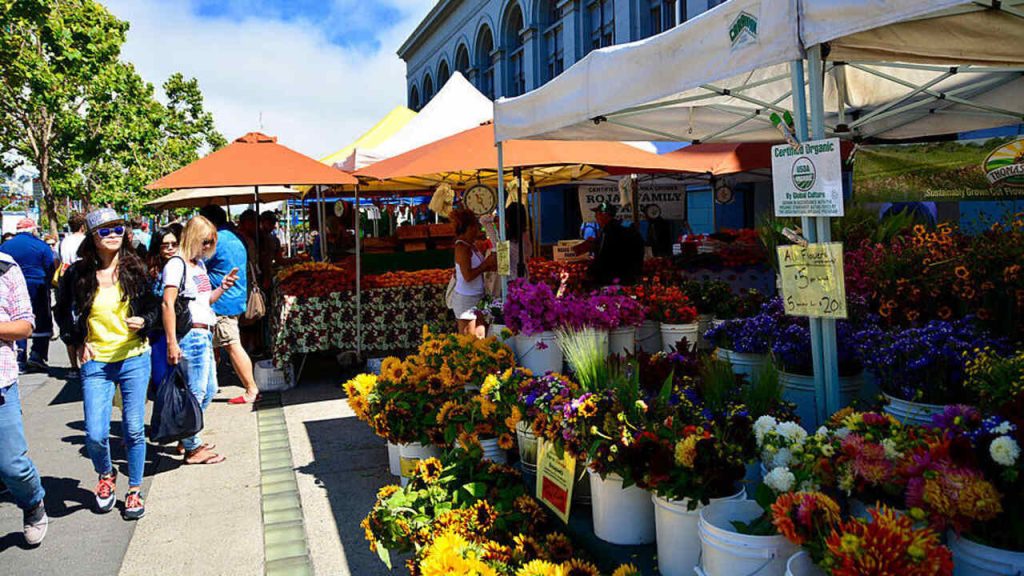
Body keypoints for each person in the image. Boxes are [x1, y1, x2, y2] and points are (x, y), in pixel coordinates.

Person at [54, 208, 158, 520]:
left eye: (118, 229)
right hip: (96, 361)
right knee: (95, 434)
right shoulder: (77, 274)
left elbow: (153, 305)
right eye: (105, 231)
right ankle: (105, 474)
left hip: (134, 357)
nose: (113, 235)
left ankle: (135, 489)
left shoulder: (135, 269)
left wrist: (146, 319)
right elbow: (61, 311)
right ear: (93, 237)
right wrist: (75, 338)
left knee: (134, 430)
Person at [162, 216, 235, 464]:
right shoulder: (176, 265)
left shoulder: (198, 265)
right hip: (191, 334)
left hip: (204, 331)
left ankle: (189, 435)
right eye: (205, 242)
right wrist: (172, 341)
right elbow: (167, 303)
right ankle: (192, 444)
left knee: (209, 389)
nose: (208, 247)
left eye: (211, 243)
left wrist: (223, 286)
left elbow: (206, 300)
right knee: (196, 391)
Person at [0, 251, 49, 545]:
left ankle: (33, 503)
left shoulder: (6, 268)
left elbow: (24, 326)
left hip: (1, 383)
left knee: (12, 466)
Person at [198, 205, 260, 405]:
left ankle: (251, 389)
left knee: (232, 344)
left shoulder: (216, 240)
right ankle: (209, 385)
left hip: (222, 301)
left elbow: (198, 263)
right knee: (216, 346)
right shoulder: (235, 236)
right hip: (234, 297)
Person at [0, 218, 55, 373]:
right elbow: (50, 266)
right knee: (42, 319)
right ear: (32, 229)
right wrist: (48, 283)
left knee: (17, 320)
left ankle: (20, 357)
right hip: (37, 285)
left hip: (11, 286)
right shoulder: (41, 245)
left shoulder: (5, 246)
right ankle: (37, 355)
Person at [146, 223, 183, 390]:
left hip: (180, 326)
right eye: (165, 245)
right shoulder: (150, 270)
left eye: (174, 244)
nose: (170, 248)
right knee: (161, 378)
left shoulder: (182, 265)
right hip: (157, 329)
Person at [450, 209, 496, 338]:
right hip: (466, 299)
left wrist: (488, 267)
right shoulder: (462, 248)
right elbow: (468, 276)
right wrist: (485, 265)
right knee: (469, 342)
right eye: (476, 226)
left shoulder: (472, 246)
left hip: (478, 297)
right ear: (469, 227)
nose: (478, 230)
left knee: (481, 337)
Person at [575, 202, 645, 287]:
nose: (596, 217)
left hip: (613, 278)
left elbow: (603, 255)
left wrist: (590, 272)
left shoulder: (608, 231)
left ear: (605, 215)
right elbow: (640, 246)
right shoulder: (625, 226)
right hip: (629, 275)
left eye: (598, 214)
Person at [57, 213, 88, 380]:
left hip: (66, 279)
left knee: (69, 323)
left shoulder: (65, 240)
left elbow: (59, 261)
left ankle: (73, 366)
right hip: (82, 279)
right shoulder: (85, 240)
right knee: (83, 321)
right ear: (83, 226)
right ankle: (85, 361)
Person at [505, 202, 532, 279]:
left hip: (509, 281)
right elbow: (528, 254)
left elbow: (483, 220)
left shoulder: (503, 237)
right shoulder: (525, 235)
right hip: (523, 277)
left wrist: (496, 218)